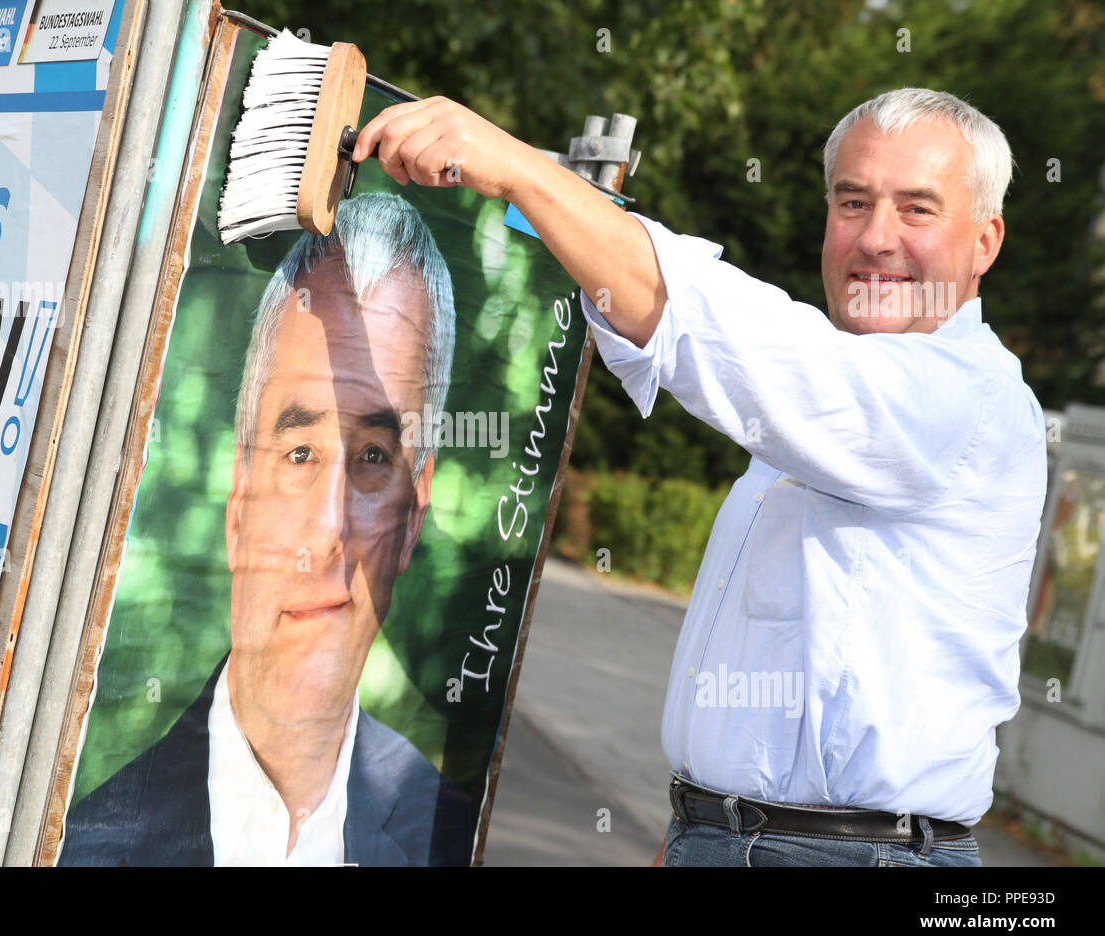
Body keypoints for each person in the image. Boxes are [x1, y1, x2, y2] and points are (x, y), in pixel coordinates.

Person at [352, 87, 1047, 866]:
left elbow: (732, 337)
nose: (876, 237)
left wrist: (521, 173)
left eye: (917, 209)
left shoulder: (962, 400)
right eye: (853, 201)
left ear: (985, 241)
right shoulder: (842, 411)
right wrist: (704, 825)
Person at [59, 193, 473, 866]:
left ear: (411, 518)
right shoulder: (85, 848)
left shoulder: (451, 838)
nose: (326, 529)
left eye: (374, 457)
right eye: (299, 453)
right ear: (239, 504)